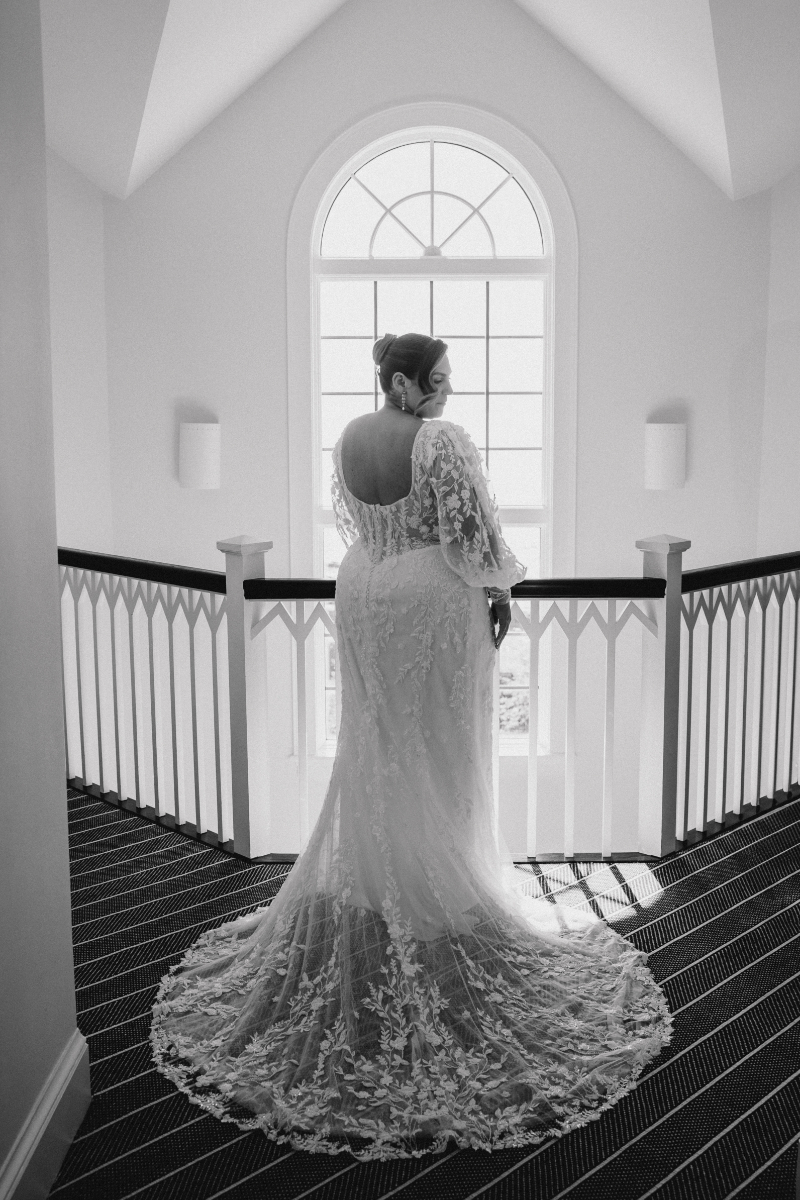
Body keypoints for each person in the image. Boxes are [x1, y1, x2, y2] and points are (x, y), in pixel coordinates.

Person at [150, 333, 672, 1160]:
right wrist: (500, 591)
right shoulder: (444, 441)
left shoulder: (351, 435)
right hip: (430, 598)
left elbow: (355, 518)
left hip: (362, 589)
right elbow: (474, 531)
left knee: (375, 742)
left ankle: (385, 880)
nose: (449, 393)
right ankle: (436, 895)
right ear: (404, 382)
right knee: (440, 749)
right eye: (439, 380)